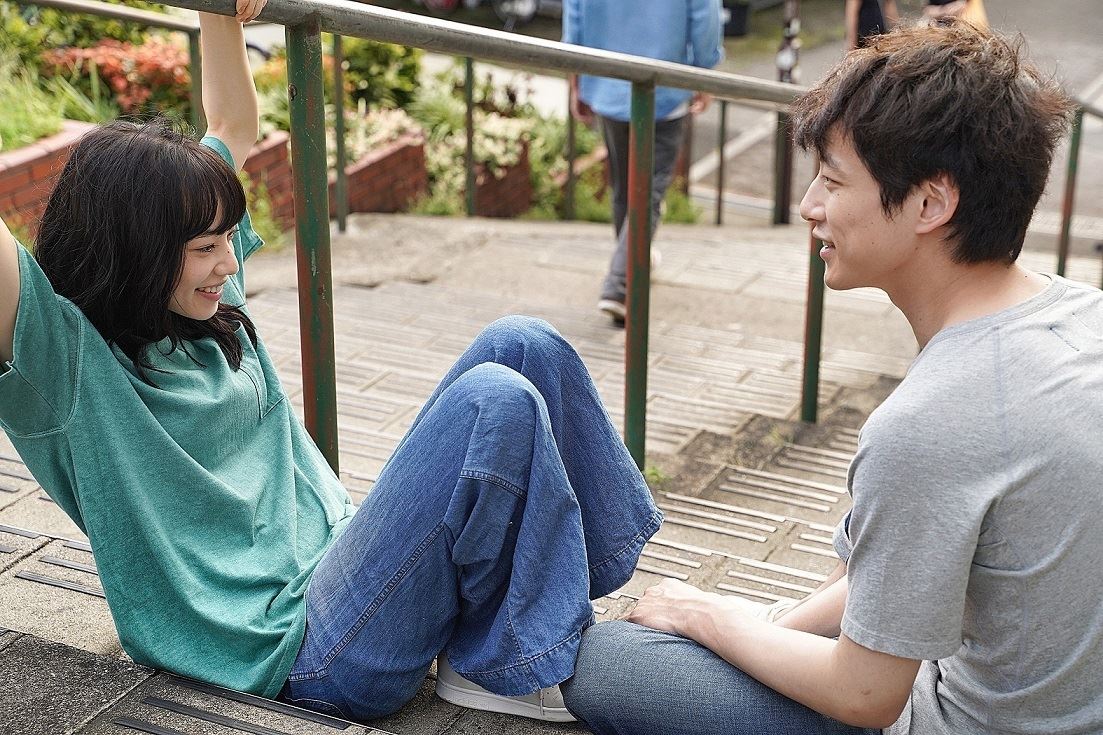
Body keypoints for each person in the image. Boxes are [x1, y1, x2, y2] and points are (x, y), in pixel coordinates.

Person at [0, 2, 662, 725]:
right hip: (304, 651)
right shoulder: (67, 364)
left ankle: (544, 620)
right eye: (205, 248)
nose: (229, 262)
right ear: (135, 253)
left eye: (227, 238)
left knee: (525, 342)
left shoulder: (203, 305)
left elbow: (232, 123)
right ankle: (509, 663)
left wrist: (218, 9)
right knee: (493, 400)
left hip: (350, 561)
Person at [562, 21, 1102, 735]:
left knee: (608, 662)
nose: (809, 206)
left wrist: (707, 616)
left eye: (833, 180)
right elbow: (894, 578)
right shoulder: (1081, 314)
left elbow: (864, 695)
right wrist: (763, 630)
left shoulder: (931, 423)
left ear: (930, 203)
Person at [562, 0, 723, 326]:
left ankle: (634, 263)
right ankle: (621, 284)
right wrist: (704, 72)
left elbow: (575, 14)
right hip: (663, 85)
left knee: (625, 185)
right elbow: (704, 15)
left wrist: (576, 76)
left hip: (608, 80)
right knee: (648, 189)